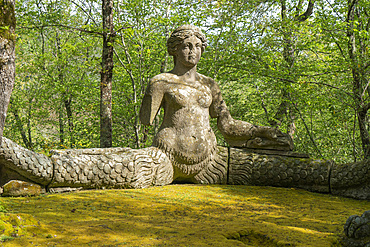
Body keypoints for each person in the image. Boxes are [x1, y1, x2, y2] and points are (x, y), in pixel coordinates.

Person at [140, 25, 293, 184]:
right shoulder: (161, 82)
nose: (193, 51)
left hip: (210, 160)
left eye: (198, 46)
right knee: (125, 168)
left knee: (282, 170)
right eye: (187, 46)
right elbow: (145, 120)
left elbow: (228, 126)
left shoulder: (209, 84)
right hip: (167, 156)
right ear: (174, 49)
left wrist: (262, 131)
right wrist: (152, 90)